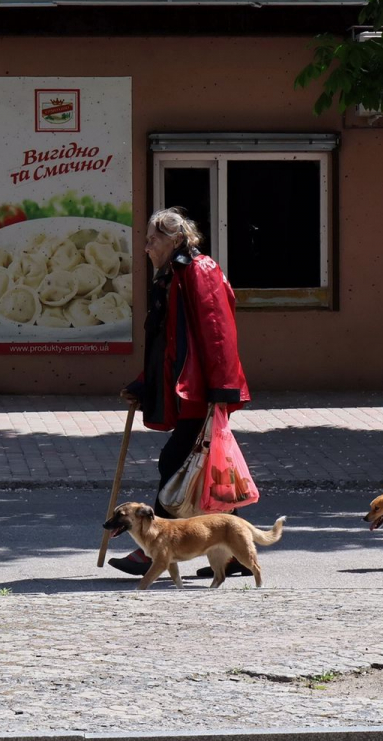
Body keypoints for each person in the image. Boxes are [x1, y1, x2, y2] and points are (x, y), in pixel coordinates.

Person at [110, 207, 251, 578]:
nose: (146, 248)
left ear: (173, 239)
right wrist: (143, 384)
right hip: (189, 391)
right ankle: (234, 554)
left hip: (202, 392)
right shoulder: (173, 276)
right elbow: (166, 343)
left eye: (152, 240)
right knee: (203, 472)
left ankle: (154, 551)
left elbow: (217, 332)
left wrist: (221, 390)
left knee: (176, 462)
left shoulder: (199, 271)